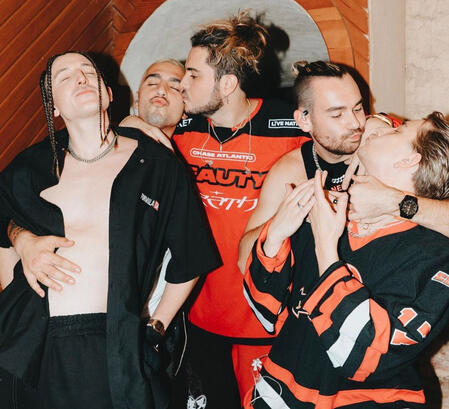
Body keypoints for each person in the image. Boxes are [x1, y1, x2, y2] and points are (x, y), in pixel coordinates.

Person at [0, 51, 219, 409]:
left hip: (115, 341)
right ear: (54, 108)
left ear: (109, 93)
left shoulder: (156, 165)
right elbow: (2, 221)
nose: (81, 78)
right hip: (34, 346)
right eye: (65, 76)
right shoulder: (29, 167)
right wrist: (21, 241)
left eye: (89, 71)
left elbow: (191, 257)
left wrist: (156, 328)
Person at [243, 112, 449, 408]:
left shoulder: (433, 256)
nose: (382, 129)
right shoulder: (325, 210)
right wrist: (275, 234)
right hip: (279, 396)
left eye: (397, 130)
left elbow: (361, 358)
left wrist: (326, 248)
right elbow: (264, 310)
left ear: (409, 161)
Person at [238, 60, 449, 273]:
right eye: (337, 114)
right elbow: (243, 260)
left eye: (358, 108)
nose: (356, 123)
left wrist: (393, 202)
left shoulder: (386, 142)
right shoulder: (293, 171)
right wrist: (288, 217)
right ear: (304, 120)